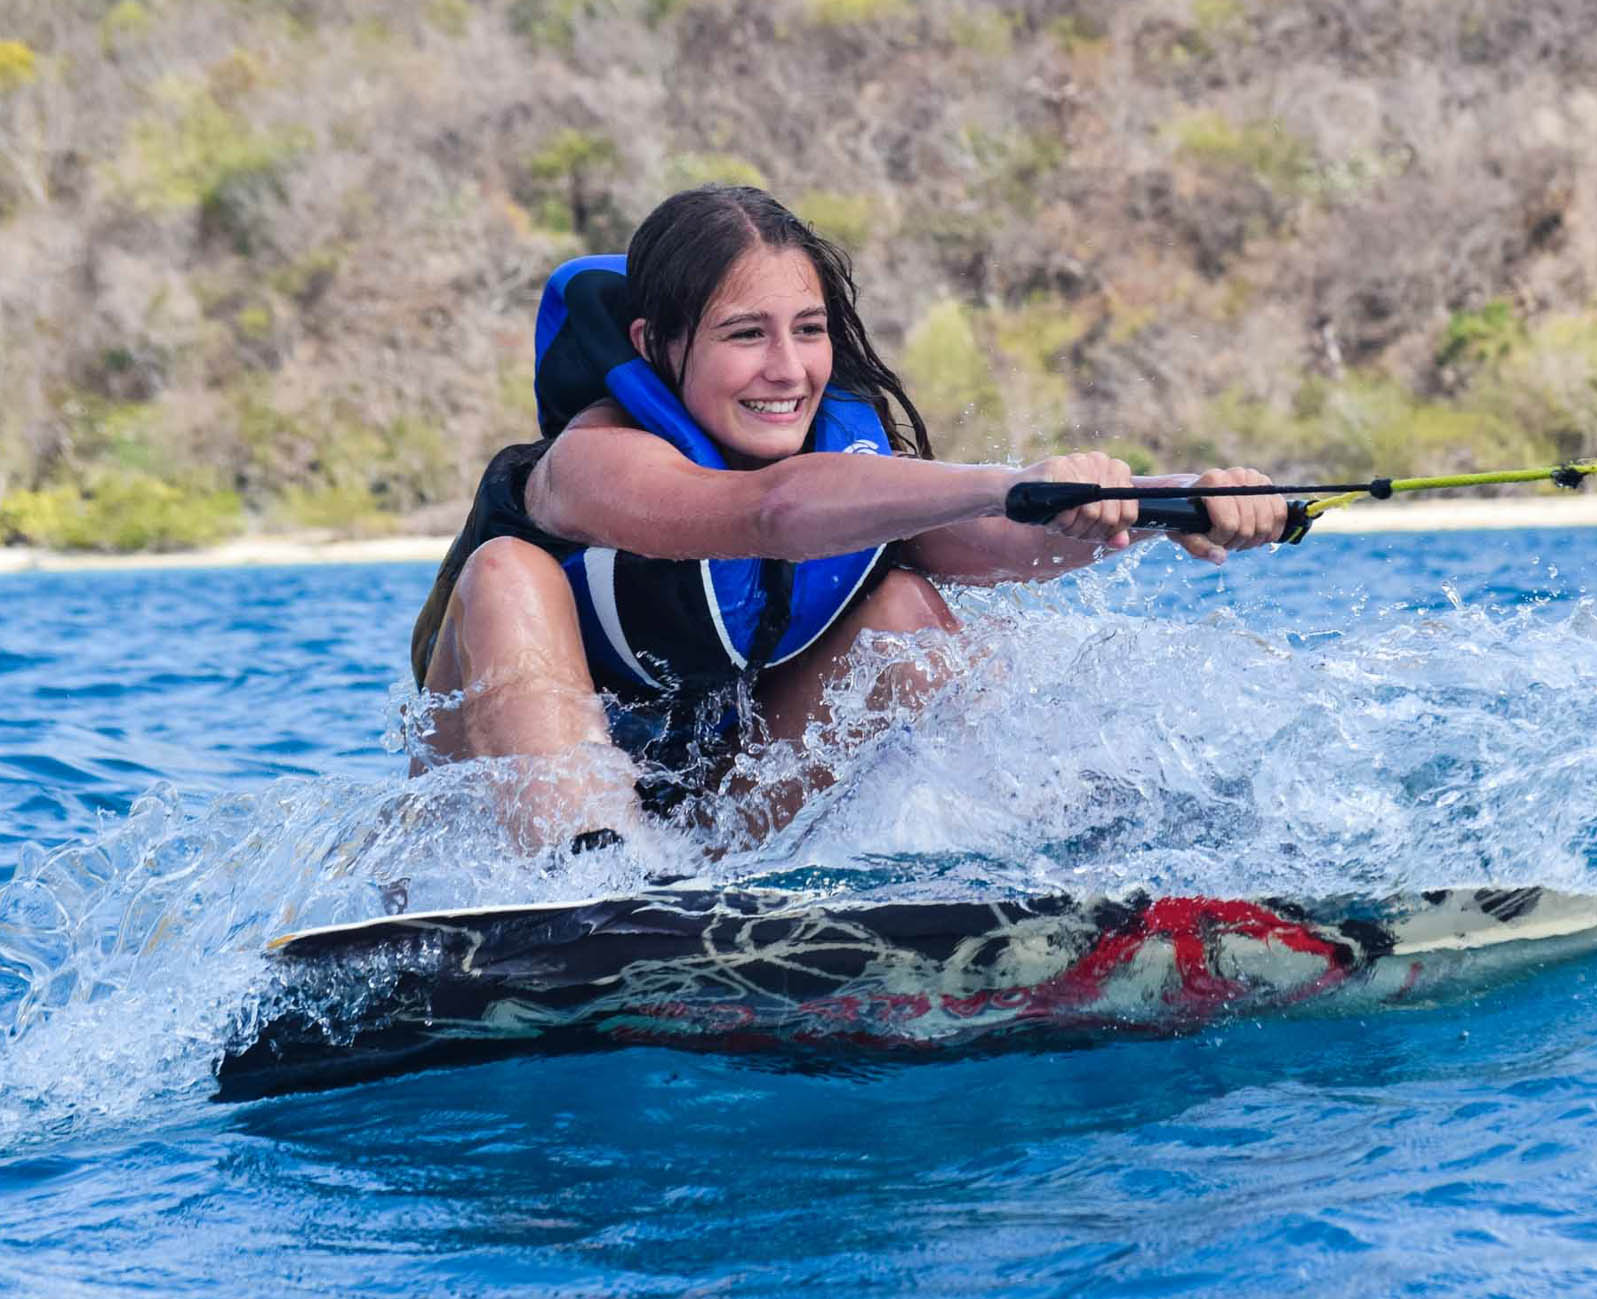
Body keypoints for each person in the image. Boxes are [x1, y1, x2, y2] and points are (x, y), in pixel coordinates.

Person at [408, 184, 1289, 852]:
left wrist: (1180, 500)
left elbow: (991, 540)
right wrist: (1007, 478)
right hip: (501, 849)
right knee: (505, 576)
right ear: (656, 346)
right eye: (745, 334)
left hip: (695, 850)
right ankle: (579, 894)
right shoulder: (591, 463)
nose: (788, 369)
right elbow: (767, 513)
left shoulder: (845, 466)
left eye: (809, 329)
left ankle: (1067, 849)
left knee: (898, 612)